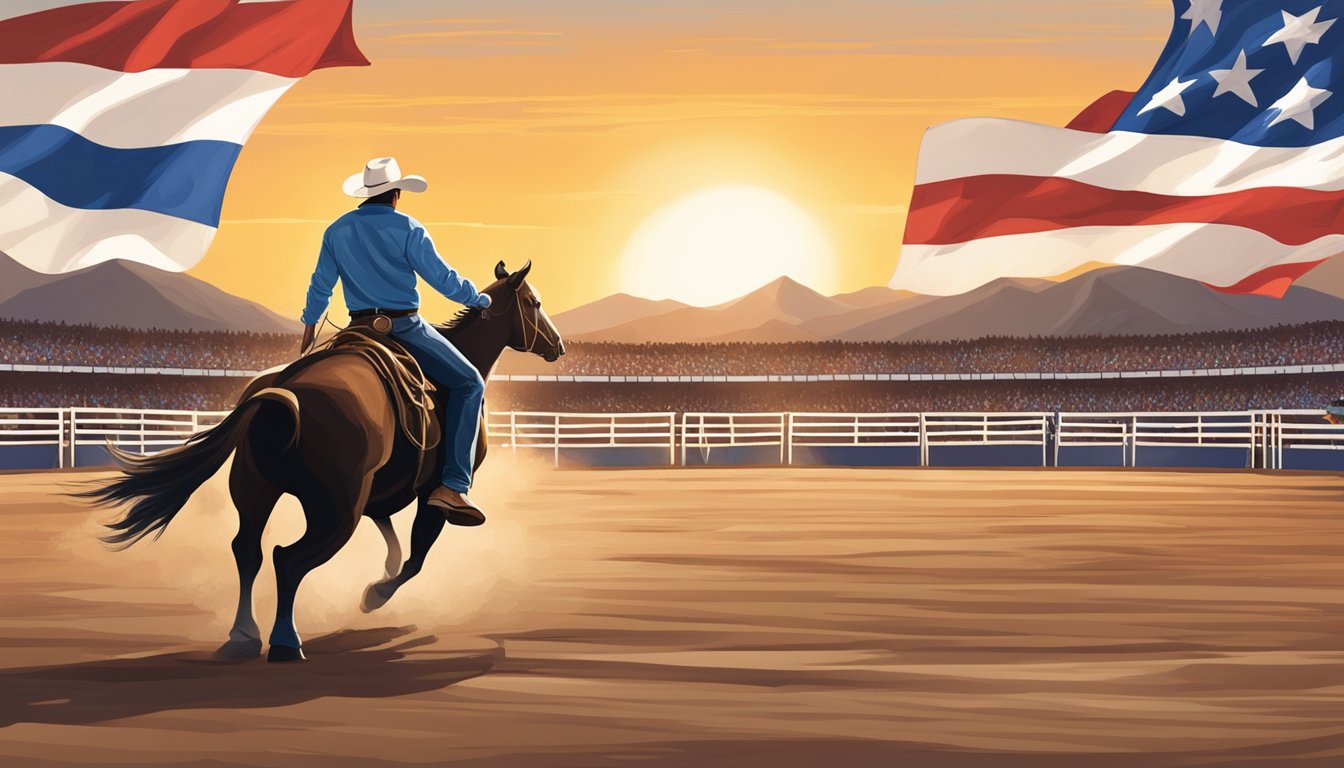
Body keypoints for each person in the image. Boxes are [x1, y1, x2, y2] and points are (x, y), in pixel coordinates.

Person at [299, 157, 492, 526]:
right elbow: (443, 279)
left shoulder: (336, 230)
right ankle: (453, 485)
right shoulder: (408, 228)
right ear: (397, 194)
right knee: (470, 383)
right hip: (404, 327)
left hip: (357, 329)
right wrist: (478, 299)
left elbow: (320, 286)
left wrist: (309, 326)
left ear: (366, 192)